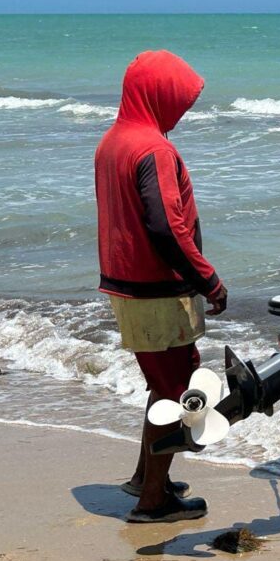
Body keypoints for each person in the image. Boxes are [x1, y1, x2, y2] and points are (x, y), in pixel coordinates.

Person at [95, 50, 228, 523]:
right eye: (178, 100)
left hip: (126, 286)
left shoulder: (114, 141)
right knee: (175, 389)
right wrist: (207, 279)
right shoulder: (153, 150)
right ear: (157, 94)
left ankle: (145, 477)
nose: (181, 112)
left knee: (160, 385)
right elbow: (165, 227)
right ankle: (154, 501)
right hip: (155, 289)